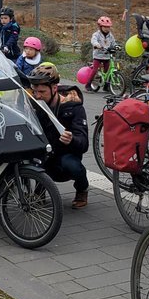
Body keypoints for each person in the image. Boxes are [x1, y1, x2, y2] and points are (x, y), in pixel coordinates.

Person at [27, 63, 90, 210]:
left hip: (64, 157)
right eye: (35, 91)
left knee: (73, 165)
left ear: (54, 88)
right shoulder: (34, 103)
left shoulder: (73, 106)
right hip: (43, 155)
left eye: (42, 91)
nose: (37, 95)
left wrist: (72, 139)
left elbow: (84, 143)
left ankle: (82, 189)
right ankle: (38, 192)